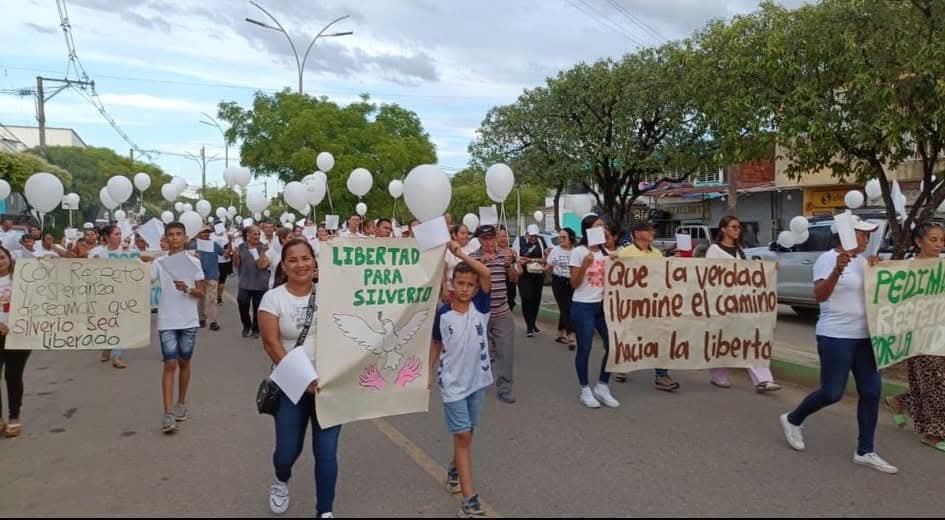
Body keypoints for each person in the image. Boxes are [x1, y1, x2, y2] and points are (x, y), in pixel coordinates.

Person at [780, 217, 898, 474]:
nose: (867, 240)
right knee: (832, 392)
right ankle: (793, 419)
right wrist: (837, 270)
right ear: (846, 235)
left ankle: (865, 451)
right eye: (862, 234)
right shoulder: (827, 259)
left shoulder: (865, 261)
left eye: (868, 236)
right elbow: (820, 295)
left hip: (865, 337)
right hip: (836, 335)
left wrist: (878, 270)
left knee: (871, 392)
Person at [259, 238, 340, 518]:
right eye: (293, 260)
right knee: (286, 452)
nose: (300, 265)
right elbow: (271, 344)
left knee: (327, 452)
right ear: (284, 266)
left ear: (315, 262)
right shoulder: (273, 298)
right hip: (291, 386)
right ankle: (281, 480)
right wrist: (303, 379)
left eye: (306, 258)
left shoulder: (331, 293)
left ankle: (325, 511)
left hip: (329, 385)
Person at [430, 240, 493, 517]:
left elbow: (487, 274)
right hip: (453, 385)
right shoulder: (443, 314)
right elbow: (435, 343)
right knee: (464, 436)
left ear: (476, 288)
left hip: (477, 382)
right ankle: (469, 501)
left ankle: (454, 469)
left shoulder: (481, 306)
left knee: (468, 435)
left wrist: (459, 253)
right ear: (452, 284)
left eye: (470, 284)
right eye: (460, 283)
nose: (465, 288)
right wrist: (428, 372)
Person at [884, 222, 945, 453]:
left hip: (942, 333)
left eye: (941, 240)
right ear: (919, 242)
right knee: (938, 385)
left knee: (932, 384)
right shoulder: (907, 269)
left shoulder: (942, 266)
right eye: (933, 239)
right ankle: (933, 433)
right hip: (921, 337)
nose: (939, 244)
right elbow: (891, 298)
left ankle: (900, 401)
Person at [705, 216, 782, 393]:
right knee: (722, 340)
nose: (737, 230)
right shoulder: (714, 250)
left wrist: (767, 269)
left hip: (741, 303)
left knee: (750, 339)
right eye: (733, 227)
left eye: (738, 227)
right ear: (723, 229)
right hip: (721, 304)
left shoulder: (740, 251)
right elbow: (708, 275)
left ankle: (763, 380)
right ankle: (718, 375)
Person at [151, 222, 205, 434]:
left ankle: (181, 403)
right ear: (166, 239)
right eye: (170, 235)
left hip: (189, 321)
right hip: (166, 320)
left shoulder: (193, 262)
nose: (174, 238)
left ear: (185, 238)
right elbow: (141, 278)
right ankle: (167, 413)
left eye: (178, 234)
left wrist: (189, 289)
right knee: (170, 363)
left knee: (184, 362)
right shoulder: (160, 262)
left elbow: (201, 293)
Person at [616, 222, 681, 392]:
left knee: (660, 338)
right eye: (649, 230)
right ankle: (622, 366)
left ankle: (661, 376)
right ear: (637, 233)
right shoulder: (625, 253)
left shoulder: (657, 253)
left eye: (653, 229)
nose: (653, 232)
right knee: (629, 336)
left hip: (654, 304)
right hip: (632, 304)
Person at [570, 215, 620, 409]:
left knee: (614, 346)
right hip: (583, 306)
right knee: (585, 348)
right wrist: (584, 264)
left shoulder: (606, 251)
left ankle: (602, 385)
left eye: (604, 226)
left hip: (602, 306)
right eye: (599, 226)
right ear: (588, 230)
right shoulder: (578, 252)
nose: (603, 229)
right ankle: (585, 389)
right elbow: (573, 283)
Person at [471, 225, 519, 404]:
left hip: (502, 311)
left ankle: (505, 387)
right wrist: (481, 265)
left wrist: (512, 264)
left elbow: (514, 279)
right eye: (485, 239)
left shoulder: (503, 255)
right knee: (476, 351)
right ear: (479, 240)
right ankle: (474, 383)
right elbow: (468, 285)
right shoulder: (473, 258)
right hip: (479, 314)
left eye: (491, 238)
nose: (489, 242)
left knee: (506, 351)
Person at [89, 224, 136, 369]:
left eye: (120, 233)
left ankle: (117, 355)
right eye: (116, 234)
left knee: (119, 322)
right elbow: (89, 272)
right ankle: (107, 346)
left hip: (121, 293)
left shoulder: (127, 251)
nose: (119, 236)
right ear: (107, 237)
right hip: (104, 293)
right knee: (107, 322)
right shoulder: (97, 252)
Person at [0, 245, 29, 438]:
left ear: (9, 258)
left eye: (2, 257)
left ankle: (13, 417)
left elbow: (35, 304)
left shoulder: (23, 280)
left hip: (19, 335)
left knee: (13, 375)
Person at [233, 225, 271, 338]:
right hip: (245, 283)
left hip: (260, 283)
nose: (257, 236)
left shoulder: (263, 247)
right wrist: (235, 256)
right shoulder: (241, 247)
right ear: (248, 235)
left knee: (258, 308)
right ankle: (246, 326)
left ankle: (256, 329)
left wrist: (263, 253)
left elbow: (264, 265)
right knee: (243, 305)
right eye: (255, 234)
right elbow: (236, 265)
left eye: (259, 234)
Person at [188, 225, 225, 331]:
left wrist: (230, 244)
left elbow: (224, 254)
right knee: (201, 299)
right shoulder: (193, 245)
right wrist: (193, 256)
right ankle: (202, 318)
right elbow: (186, 257)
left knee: (212, 299)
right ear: (199, 233)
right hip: (198, 276)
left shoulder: (214, 244)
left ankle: (213, 321)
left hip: (212, 275)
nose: (206, 234)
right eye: (204, 232)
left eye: (208, 232)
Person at [546, 227, 576, 349]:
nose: (561, 240)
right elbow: (548, 265)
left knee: (567, 308)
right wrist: (546, 268)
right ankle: (571, 335)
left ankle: (560, 333)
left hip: (573, 282)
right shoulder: (555, 251)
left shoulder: (576, 251)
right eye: (560, 237)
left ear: (571, 239)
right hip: (558, 281)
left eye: (564, 237)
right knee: (566, 308)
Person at [517, 224, 547, 338]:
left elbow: (545, 258)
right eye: (531, 236)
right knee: (527, 298)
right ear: (527, 234)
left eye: (535, 236)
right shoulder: (520, 241)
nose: (533, 238)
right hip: (524, 275)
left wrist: (531, 260)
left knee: (536, 299)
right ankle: (529, 326)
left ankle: (533, 322)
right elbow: (518, 257)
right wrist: (523, 261)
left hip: (538, 274)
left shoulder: (541, 241)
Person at [442, 224, 474, 304]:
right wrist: (445, 289)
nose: (466, 236)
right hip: (451, 291)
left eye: (467, 233)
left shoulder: (472, 249)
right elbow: (443, 272)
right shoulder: (448, 251)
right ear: (455, 235)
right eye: (462, 233)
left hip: (469, 292)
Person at [497, 226, 519, 312]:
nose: (503, 238)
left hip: (510, 285)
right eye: (501, 236)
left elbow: (518, 271)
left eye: (505, 236)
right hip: (498, 285)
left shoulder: (513, 252)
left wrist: (512, 267)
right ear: (496, 238)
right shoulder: (494, 251)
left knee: (510, 306)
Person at [213, 221, 233, 305]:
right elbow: (228, 253)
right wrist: (230, 241)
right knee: (221, 281)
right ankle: (219, 298)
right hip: (223, 262)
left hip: (216, 262)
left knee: (216, 281)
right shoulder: (226, 237)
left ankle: (215, 298)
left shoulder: (211, 236)